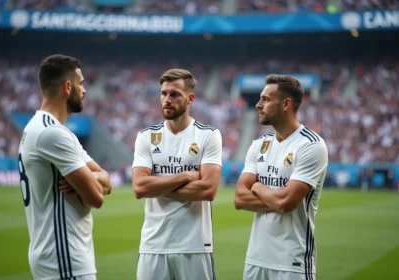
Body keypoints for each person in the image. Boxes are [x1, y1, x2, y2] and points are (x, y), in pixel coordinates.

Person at [18, 54, 112, 280]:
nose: (84, 90)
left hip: (57, 254)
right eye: (81, 83)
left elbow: (106, 180)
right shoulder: (52, 134)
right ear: (68, 86)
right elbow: (96, 199)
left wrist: (90, 179)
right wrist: (92, 181)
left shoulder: (47, 129)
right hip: (64, 257)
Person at [234, 75, 328, 280]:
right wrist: (276, 196)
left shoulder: (311, 145)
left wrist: (257, 187)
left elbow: (286, 203)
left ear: (286, 104)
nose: (258, 105)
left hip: (292, 263)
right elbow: (240, 198)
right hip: (255, 260)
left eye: (266, 99)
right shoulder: (259, 144)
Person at [132, 68, 222, 280]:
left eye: (174, 94)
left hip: (195, 246)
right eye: (163, 94)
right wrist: (183, 177)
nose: (167, 99)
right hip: (153, 245)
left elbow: (208, 189)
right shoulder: (146, 136)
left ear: (190, 98)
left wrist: (157, 185)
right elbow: (139, 187)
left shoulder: (208, 135)